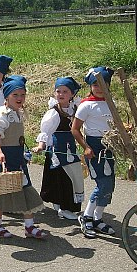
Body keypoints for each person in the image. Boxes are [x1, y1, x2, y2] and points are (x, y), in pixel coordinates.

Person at [0, 76, 47, 238]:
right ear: (7, 97)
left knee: (26, 190)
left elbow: (17, 139)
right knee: (1, 194)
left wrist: (23, 153)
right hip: (5, 159)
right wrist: (0, 153)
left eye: (22, 95)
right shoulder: (2, 115)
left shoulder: (18, 114)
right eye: (15, 95)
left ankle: (29, 227)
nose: (19, 98)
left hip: (18, 159)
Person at [71, 67, 117, 238]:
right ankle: (86, 216)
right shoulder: (86, 105)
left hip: (109, 146)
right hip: (94, 147)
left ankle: (98, 218)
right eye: (94, 84)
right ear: (90, 86)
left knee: (110, 184)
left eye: (103, 84)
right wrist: (86, 147)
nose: (98, 88)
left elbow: (113, 124)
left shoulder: (111, 103)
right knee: (101, 184)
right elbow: (75, 129)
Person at [32, 76, 85, 220]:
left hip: (69, 149)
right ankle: (64, 207)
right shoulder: (54, 112)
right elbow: (46, 131)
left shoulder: (74, 109)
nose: (61, 94)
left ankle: (59, 202)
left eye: (65, 91)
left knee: (68, 177)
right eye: (58, 91)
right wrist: (41, 146)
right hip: (57, 151)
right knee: (63, 178)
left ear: (72, 94)